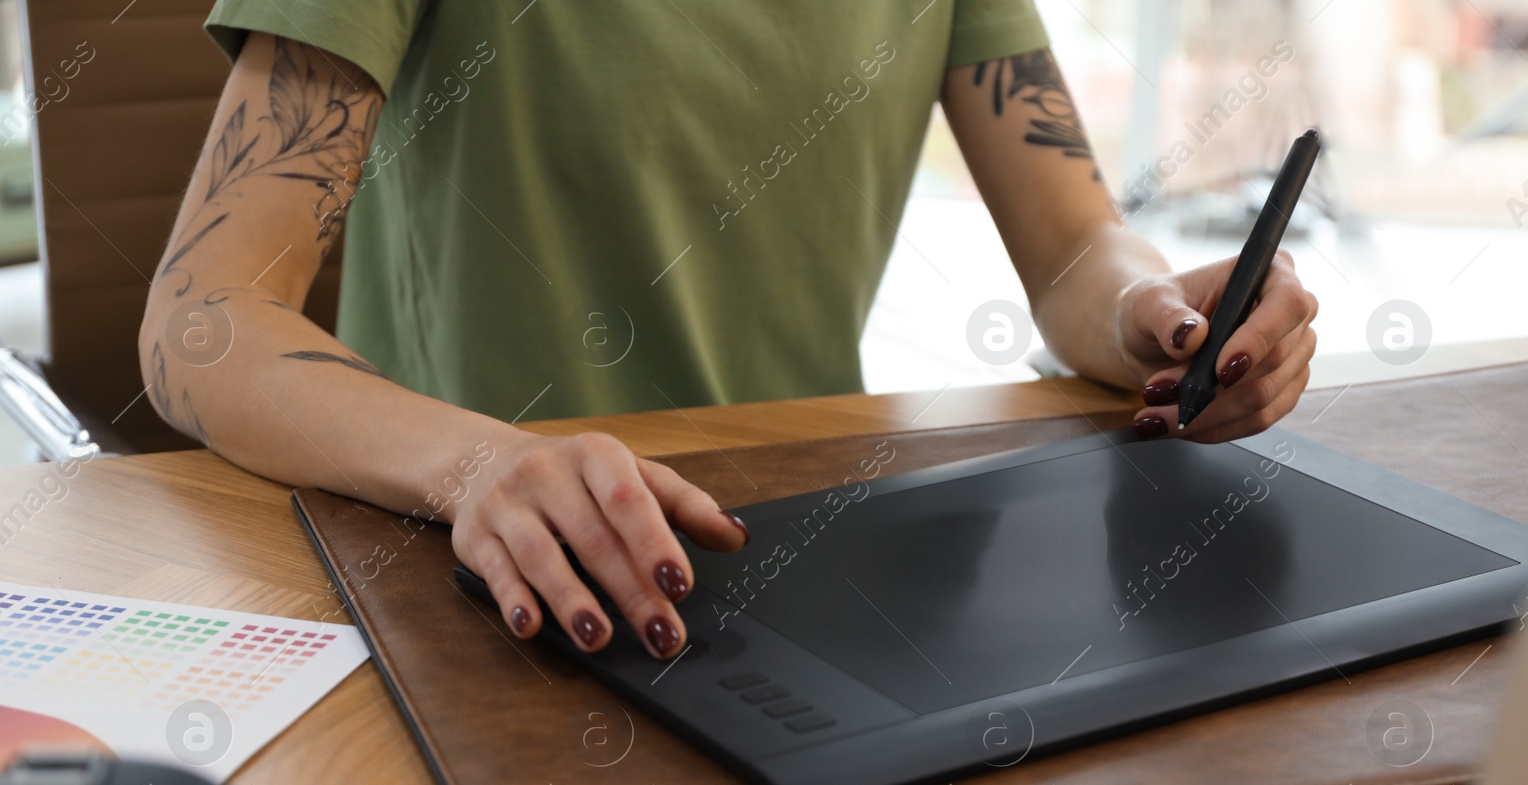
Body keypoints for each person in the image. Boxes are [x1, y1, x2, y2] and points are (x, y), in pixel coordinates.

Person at [141, 2, 1318, 661]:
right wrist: (480, 463)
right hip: (467, 578)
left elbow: (1072, 245)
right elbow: (204, 318)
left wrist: (1150, 315)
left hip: (799, 564)